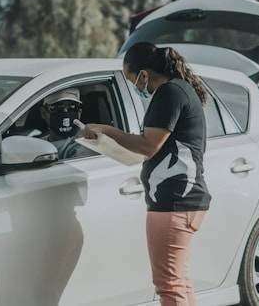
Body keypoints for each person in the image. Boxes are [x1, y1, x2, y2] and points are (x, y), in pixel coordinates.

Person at [82, 42, 210, 306]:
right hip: (183, 200)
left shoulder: (169, 93)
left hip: (174, 201)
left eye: (132, 80)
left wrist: (107, 131)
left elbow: (148, 145)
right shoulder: (179, 90)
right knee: (179, 281)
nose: (136, 87)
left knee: (169, 285)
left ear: (144, 74)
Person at [40, 88, 87, 160]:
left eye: (72, 106)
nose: (65, 111)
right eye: (57, 107)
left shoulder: (85, 143)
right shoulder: (38, 143)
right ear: (43, 113)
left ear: (79, 112)